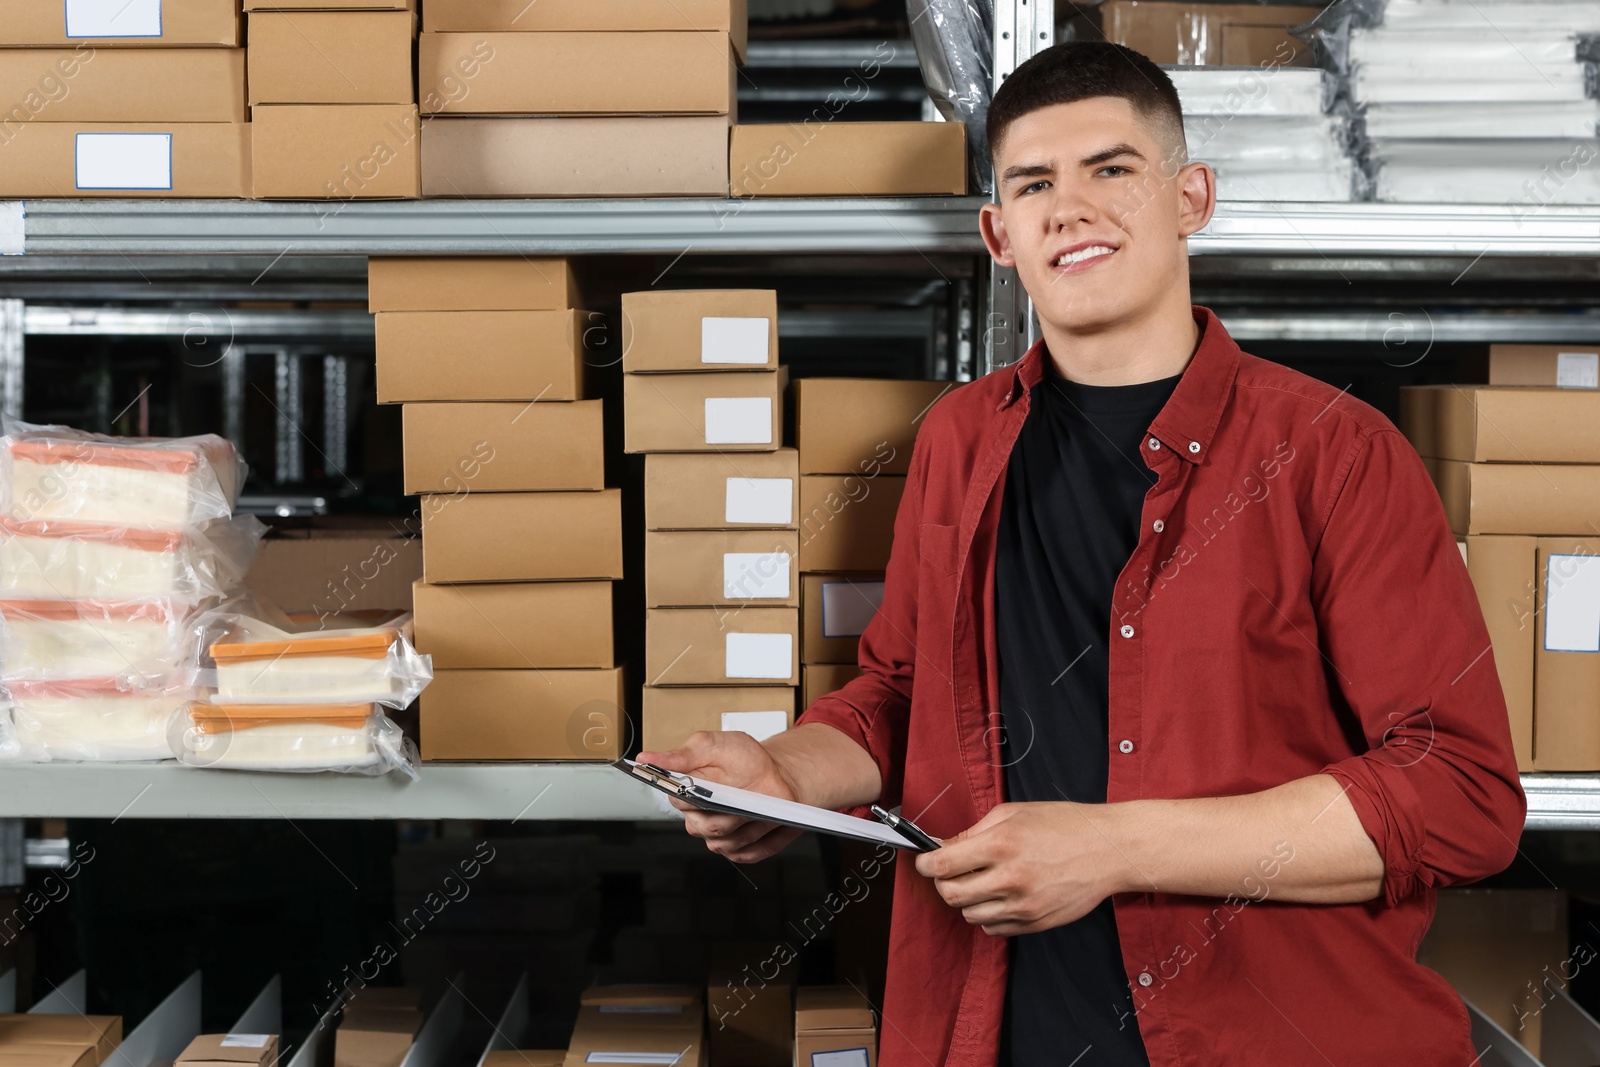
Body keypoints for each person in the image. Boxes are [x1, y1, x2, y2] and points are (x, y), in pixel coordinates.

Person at [635, 41, 1525, 1067]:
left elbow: (1459, 793)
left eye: (1111, 170)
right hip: (994, 1028)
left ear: (1190, 196)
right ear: (997, 233)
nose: (1069, 208)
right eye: (1032, 184)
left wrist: (1110, 846)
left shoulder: (1335, 453)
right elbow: (902, 688)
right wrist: (781, 772)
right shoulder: (959, 440)